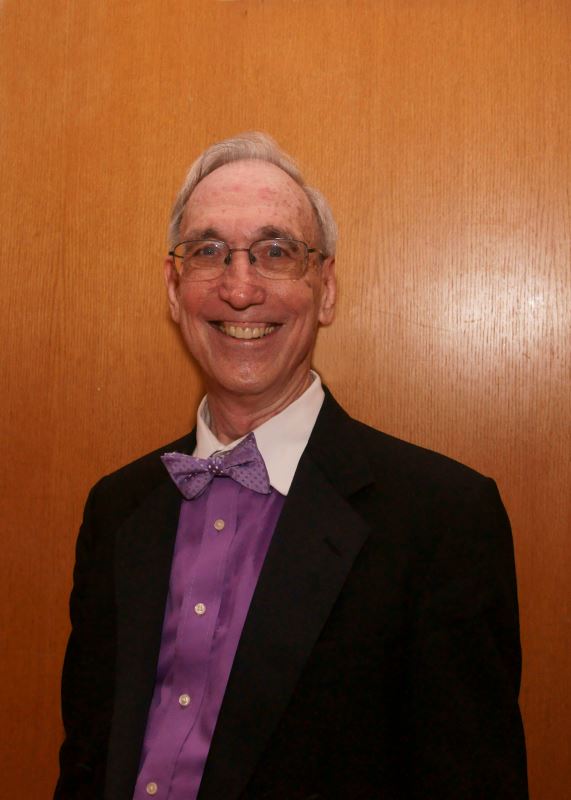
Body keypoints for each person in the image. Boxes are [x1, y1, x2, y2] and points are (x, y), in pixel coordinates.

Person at [55, 132, 528, 800]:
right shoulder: (117, 509)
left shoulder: (442, 520)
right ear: (173, 288)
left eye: (276, 251)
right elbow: (85, 761)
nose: (239, 288)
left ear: (325, 289)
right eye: (207, 251)